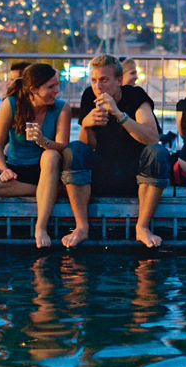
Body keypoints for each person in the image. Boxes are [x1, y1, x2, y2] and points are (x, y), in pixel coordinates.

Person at [62, 54, 170, 248]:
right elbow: (87, 147)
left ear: (119, 81)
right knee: (74, 150)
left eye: (104, 80)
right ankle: (81, 227)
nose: (98, 86)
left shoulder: (135, 96)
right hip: (102, 172)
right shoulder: (89, 96)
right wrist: (86, 125)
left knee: (158, 152)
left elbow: (153, 138)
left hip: (135, 174)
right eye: (94, 80)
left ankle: (142, 227)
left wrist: (119, 115)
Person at [0, 63, 72, 248]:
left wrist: (43, 141)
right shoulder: (11, 104)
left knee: (50, 156)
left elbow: (62, 145)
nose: (56, 91)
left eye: (57, 85)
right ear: (33, 89)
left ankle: (40, 227)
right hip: (17, 169)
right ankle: (45, 191)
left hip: (45, 170)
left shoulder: (62, 108)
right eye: (51, 87)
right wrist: (3, 168)